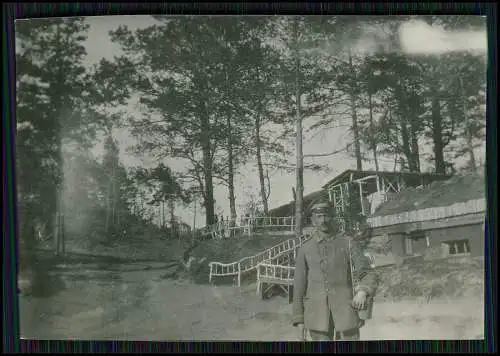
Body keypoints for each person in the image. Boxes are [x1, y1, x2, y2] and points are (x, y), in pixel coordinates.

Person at [292, 201, 378, 341]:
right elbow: (298, 288)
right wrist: (299, 320)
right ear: (313, 220)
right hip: (317, 318)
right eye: (319, 217)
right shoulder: (305, 249)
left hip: (347, 314)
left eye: (326, 216)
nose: (323, 220)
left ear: (332, 217)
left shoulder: (347, 243)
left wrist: (363, 291)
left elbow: (368, 273)